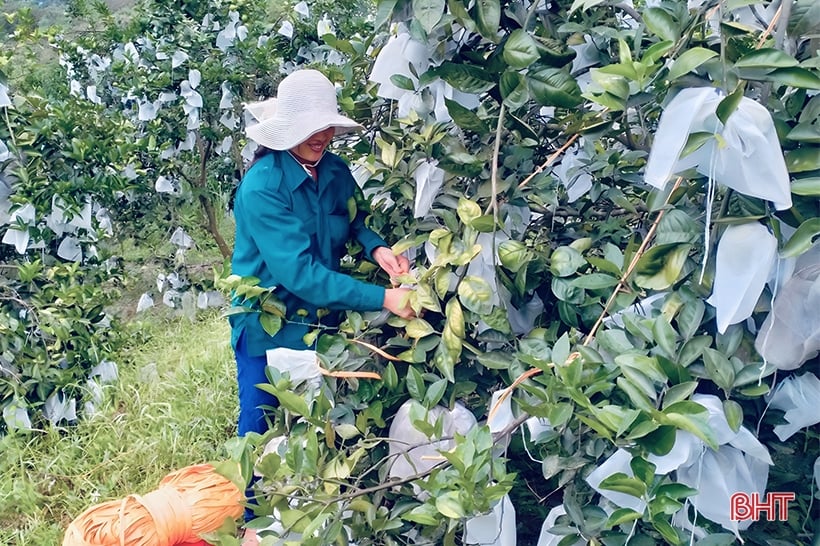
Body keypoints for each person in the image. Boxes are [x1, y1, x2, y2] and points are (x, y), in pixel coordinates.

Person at [229, 69, 414, 544]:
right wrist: (385, 299)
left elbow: (357, 218)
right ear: (287, 129)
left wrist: (377, 249)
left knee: (318, 417)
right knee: (261, 422)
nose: (321, 137)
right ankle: (252, 523)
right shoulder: (261, 188)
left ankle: (313, 509)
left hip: (320, 321)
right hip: (267, 324)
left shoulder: (333, 171)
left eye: (327, 127)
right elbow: (301, 276)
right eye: (311, 129)